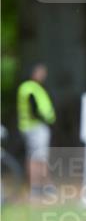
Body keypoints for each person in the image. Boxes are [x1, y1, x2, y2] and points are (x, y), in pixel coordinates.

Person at [17, 63, 56, 197]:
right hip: (35, 127)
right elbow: (33, 108)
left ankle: (37, 186)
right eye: (41, 72)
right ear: (34, 73)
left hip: (30, 127)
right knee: (39, 157)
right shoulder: (30, 88)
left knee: (33, 156)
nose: (43, 75)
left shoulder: (30, 87)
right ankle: (43, 185)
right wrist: (44, 119)